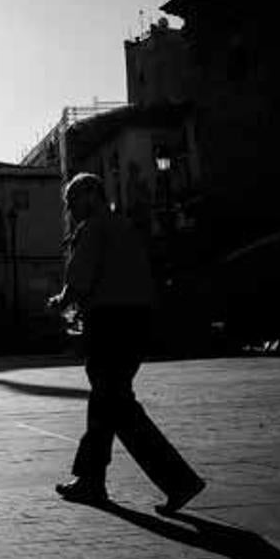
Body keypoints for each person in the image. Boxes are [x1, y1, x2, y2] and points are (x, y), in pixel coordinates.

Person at [47, 172, 205, 514]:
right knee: (107, 400)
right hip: (138, 323)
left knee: (117, 405)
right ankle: (91, 481)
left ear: (91, 195)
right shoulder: (126, 227)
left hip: (109, 323)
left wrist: (60, 302)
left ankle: (179, 480)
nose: (71, 209)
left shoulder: (93, 229)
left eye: (73, 200)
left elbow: (79, 279)